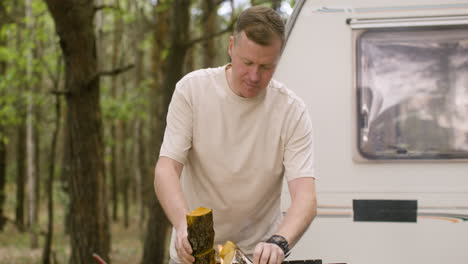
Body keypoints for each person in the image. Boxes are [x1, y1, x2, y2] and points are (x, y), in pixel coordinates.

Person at [154, 5, 317, 264]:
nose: (254, 76)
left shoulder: (291, 111)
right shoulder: (192, 91)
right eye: (248, 62)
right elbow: (166, 169)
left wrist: (279, 241)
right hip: (194, 255)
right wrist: (182, 225)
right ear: (231, 47)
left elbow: (305, 197)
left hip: (256, 257)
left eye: (266, 67)